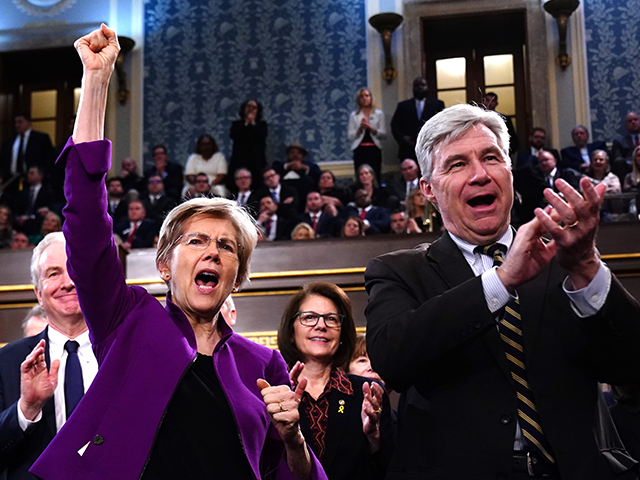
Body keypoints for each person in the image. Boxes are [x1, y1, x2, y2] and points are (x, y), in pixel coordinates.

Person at [30, 25, 325, 480]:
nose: (213, 253)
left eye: (227, 247)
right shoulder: (127, 320)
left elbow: (294, 477)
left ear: (236, 275)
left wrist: (294, 439)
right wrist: (96, 80)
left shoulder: (263, 364)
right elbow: (86, 225)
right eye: (197, 241)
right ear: (165, 264)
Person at [365, 102, 640, 479]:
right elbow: (392, 358)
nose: (480, 175)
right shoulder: (398, 270)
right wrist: (500, 281)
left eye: (491, 157)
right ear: (428, 189)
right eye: (457, 164)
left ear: (509, 171)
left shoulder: (566, 257)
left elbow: (630, 364)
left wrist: (587, 268)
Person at [0, 232, 98, 480]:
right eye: (54, 273)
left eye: (74, 269)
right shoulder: (8, 361)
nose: (67, 282)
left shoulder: (126, 354)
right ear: (38, 294)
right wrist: (26, 408)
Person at [277, 282, 394, 480]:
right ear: (291, 332)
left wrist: (373, 437)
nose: (321, 326)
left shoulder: (365, 391)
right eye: (310, 317)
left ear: (342, 334)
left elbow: (391, 468)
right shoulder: (275, 392)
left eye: (331, 319)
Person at [390, 77, 444, 161]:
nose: (420, 88)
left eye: (423, 85)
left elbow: (443, 124)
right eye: (417, 85)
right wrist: (403, 138)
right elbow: (395, 125)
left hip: (430, 148)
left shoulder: (437, 104)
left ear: (427, 87)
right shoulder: (403, 106)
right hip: (408, 149)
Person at [0, 113, 54, 194]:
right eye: (16, 122)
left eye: (20, 122)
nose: (17, 125)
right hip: (11, 180)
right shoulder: (10, 140)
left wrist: (42, 174)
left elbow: (49, 158)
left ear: (28, 122)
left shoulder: (40, 138)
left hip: (33, 180)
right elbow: (4, 159)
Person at [348, 88, 387, 182]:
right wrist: (360, 129)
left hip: (374, 149)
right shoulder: (354, 115)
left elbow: (384, 134)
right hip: (359, 149)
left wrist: (371, 128)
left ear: (371, 98)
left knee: (375, 174)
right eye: (362, 96)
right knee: (360, 174)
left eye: (367, 96)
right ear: (358, 99)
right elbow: (350, 136)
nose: (364, 98)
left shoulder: (378, 114)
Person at [227, 99, 267, 190]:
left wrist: (252, 124)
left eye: (254, 107)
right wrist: (246, 124)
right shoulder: (237, 124)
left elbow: (260, 138)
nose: (251, 109)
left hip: (256, 161)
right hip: (239, 159)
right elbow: (234, 136)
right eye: (249, 106)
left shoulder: (262, 125)